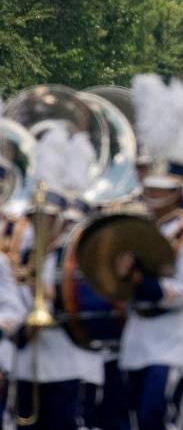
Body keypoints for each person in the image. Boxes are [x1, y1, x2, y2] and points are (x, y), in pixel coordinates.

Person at [119, 75, 183, 430]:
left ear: (176, 190)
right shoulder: (135, 227)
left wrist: (143, 282)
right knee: (136, 415)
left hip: (170, 337)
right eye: (150, 188)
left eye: (162, 189)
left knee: (160, 412)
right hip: (137, 332)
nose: (153, 195)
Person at [12, 128, 102, 430]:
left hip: (64, 360)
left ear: (60, 220)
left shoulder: (75, 258)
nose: (40, 224)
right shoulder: (22, 257)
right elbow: (11, 301)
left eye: (47, 217)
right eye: (35, 217)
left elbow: (88, 304)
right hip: (27, 360)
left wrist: (50, 295)